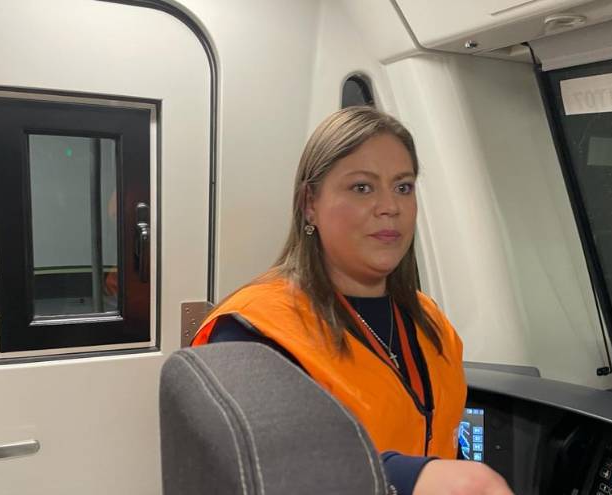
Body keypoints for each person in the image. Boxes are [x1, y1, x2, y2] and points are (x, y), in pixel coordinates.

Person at [192, 107, 513, 495]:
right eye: (362, 188)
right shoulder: (253, 331)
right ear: (310, 203)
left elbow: (442, 442)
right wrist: (414, 477)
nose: (390, 207)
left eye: (403, 187)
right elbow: (272, 469)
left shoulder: (431, 324)